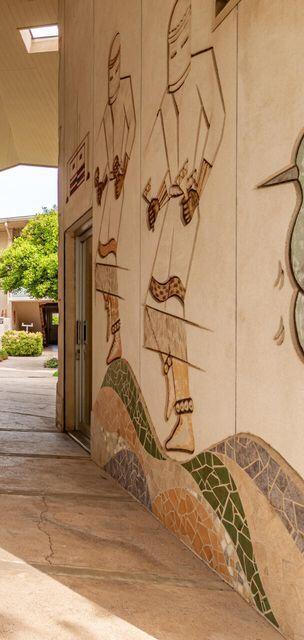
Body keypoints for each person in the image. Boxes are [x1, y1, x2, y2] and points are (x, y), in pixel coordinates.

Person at [141, 0, 225, 454]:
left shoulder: (202, 67)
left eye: (179, 36)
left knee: (176, 312)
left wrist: (200, 183)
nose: (173, 47)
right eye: (168, 38)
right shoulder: (165, 96)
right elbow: (150, 161)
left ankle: (186, 415)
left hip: (190, 214)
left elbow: (218, 124)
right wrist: (154, 199)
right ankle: (174, 402)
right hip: (172, 217)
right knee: (159, 315)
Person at [94, 32, 136, 365]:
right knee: (103, 262)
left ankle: (118, 332)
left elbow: (133, 127)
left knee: (112, 258)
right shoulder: (105, 113)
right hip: (108, 192)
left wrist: (122, 162)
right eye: (106, 72)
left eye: (113, 70)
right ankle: (114, 327)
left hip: (120, 191)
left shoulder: (124, 96)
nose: (110, 78)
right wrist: (101, 178)